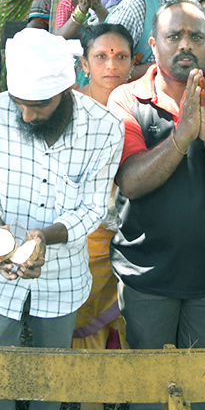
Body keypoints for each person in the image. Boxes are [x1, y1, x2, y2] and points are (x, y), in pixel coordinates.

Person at [108, 0, 205, 410]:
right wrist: (182, 137)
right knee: (147, 387)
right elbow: (132, 182)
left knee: (201, 388)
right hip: (145, 273)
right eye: (174, 36)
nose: (185, 45)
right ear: (153, 44)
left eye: (196, 36)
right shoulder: (126, 97)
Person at [0, 28, 124, 410]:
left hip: (62, 277)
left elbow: (92, 208)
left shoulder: (105, 127)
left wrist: (43, 237)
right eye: (19, 102)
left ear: (67, 90)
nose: (26, 114)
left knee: (50, 376)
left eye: (39, 105)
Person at [71, 24, 134, 359]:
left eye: (120, 56)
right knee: (86, 294)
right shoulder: (69, 107)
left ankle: (125, 379)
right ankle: (87, 385)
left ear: (132, 62)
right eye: (101, 57)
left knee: (131, 298)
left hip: (133, 218)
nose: (111, 65)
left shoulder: (141, 102)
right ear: (84, 64)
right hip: (85, 227)